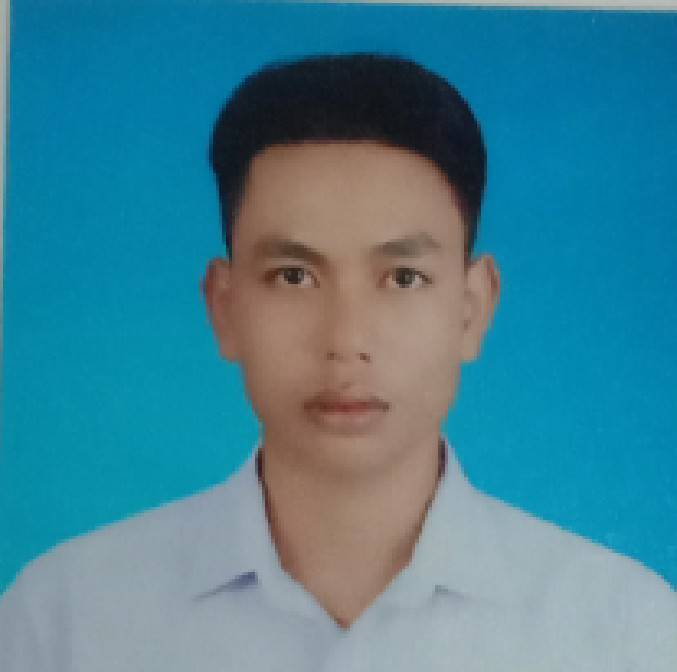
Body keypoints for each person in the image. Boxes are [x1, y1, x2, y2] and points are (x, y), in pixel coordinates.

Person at [0, 53, 674, 671]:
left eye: (402, 277)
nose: (346, 339)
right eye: (294, 276)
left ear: (472, 309)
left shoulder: (620, 629)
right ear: (224, 308)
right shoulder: (66, 617)